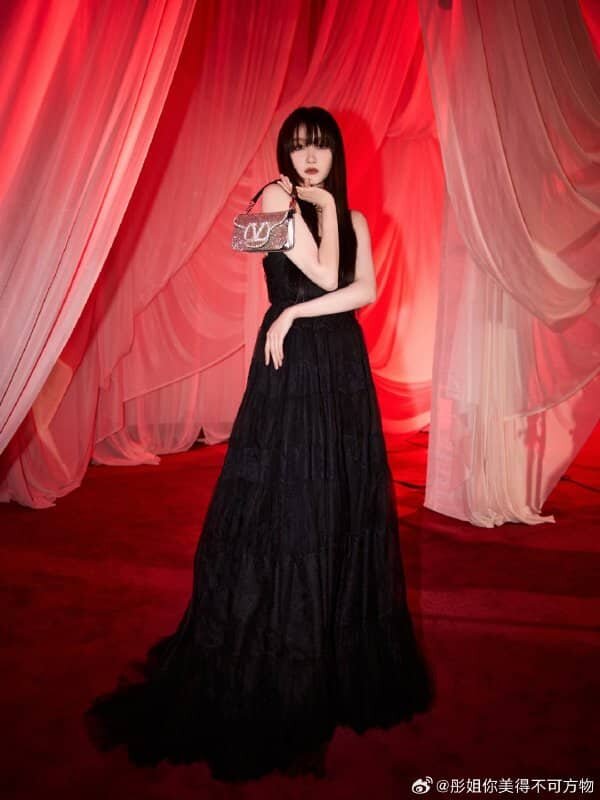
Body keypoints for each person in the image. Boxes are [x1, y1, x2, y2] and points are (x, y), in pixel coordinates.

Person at [84, 106, 433, 782]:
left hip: (340, 369)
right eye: (297, 147)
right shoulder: (272, 205)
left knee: (341, 503)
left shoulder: (355, 220)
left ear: (335, 153)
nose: (309, 157)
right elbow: (313, 269)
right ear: (285, 154)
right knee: (285, 504)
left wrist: (294, 308)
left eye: (319, 146)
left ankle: (337, 655)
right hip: (289, 369)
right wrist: (304, 230)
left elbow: (357, 289)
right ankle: (280, 649)